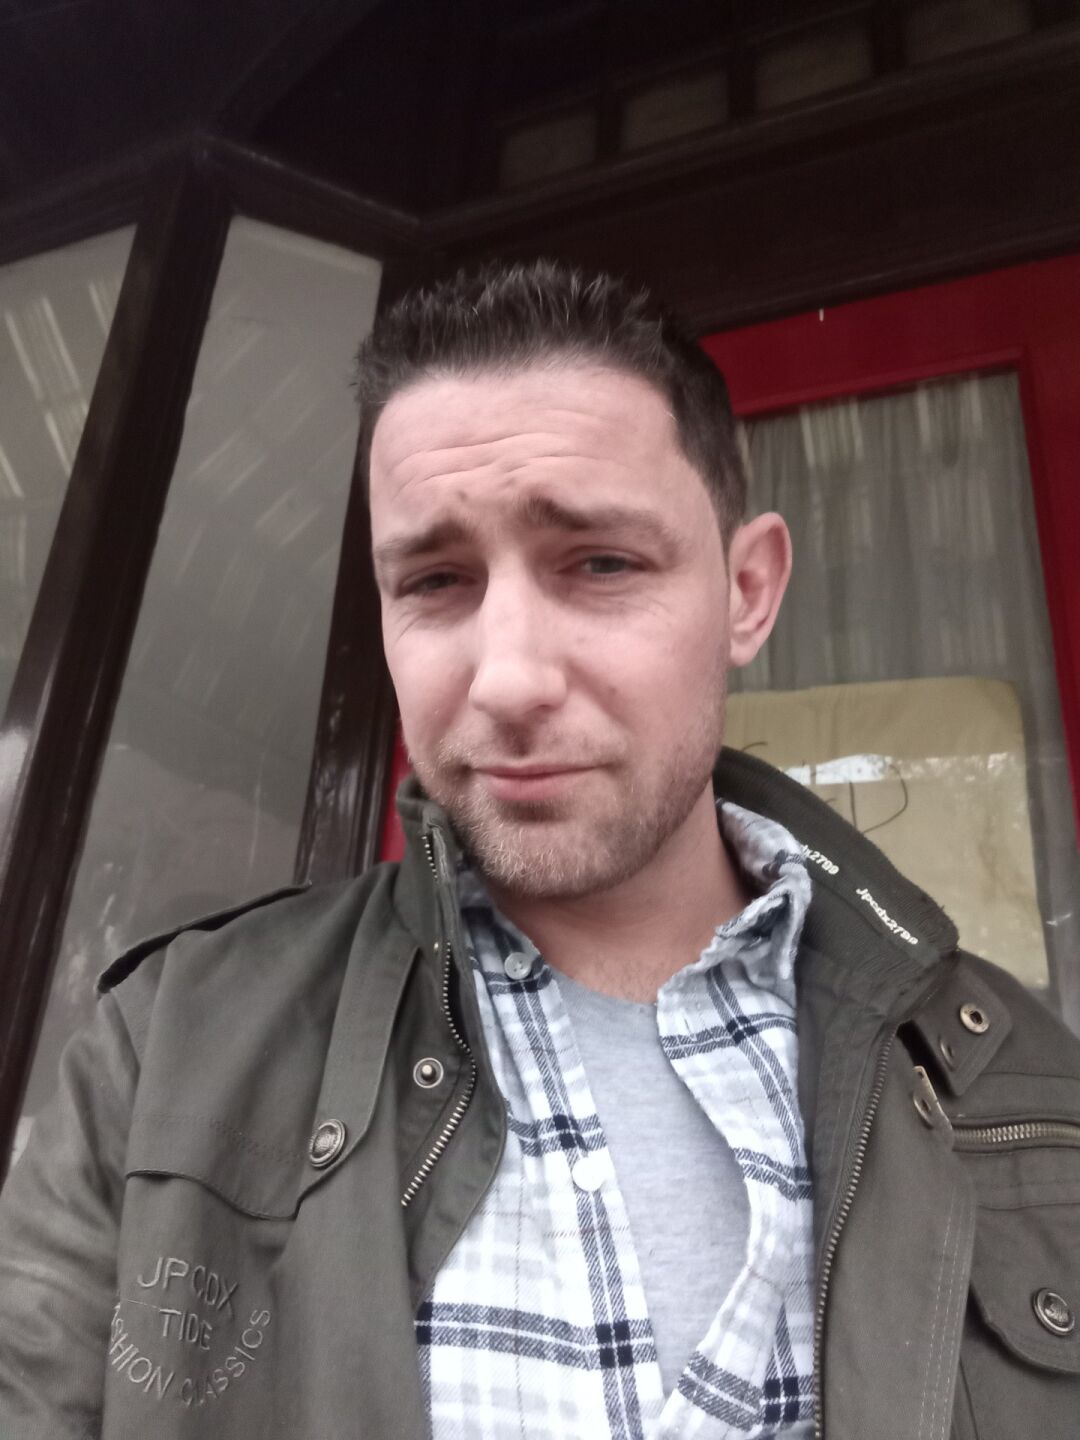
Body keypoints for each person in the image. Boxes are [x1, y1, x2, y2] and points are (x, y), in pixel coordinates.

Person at [1, 260, 1078, 1440]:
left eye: (601, 563)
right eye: (434, 580)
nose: (508, 678)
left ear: (747, 591)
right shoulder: (163, 1054)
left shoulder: (1022, 1084)